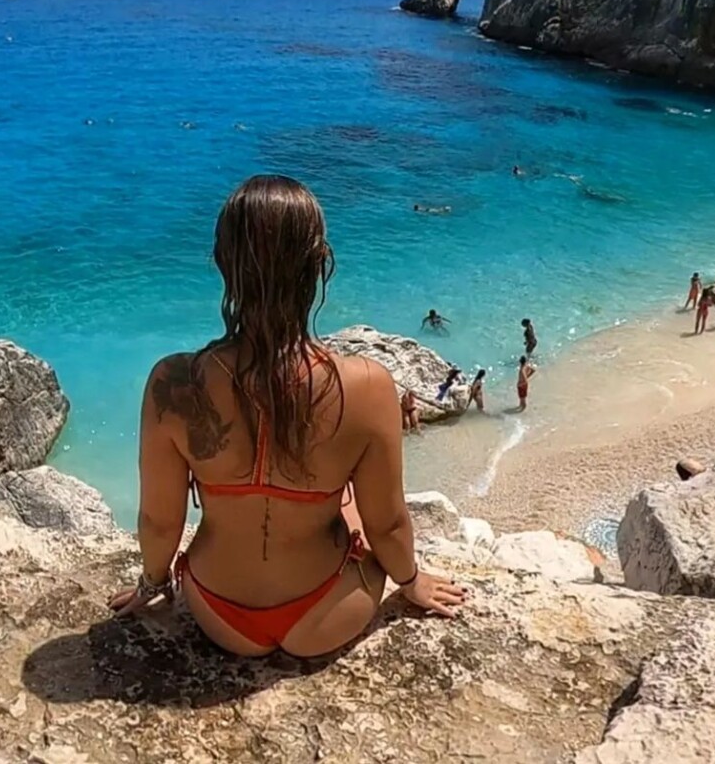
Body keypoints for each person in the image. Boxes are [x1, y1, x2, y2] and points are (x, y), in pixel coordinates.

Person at [107, 175, 464, 657]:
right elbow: (389, 525)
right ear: (320, 264)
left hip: (216, 610)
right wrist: (413, 582)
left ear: (222, 261)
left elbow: (158, 520)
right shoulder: (367, 385)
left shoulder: (174, 383)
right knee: (353, 507)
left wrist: (152, 585)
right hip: (329, 612)